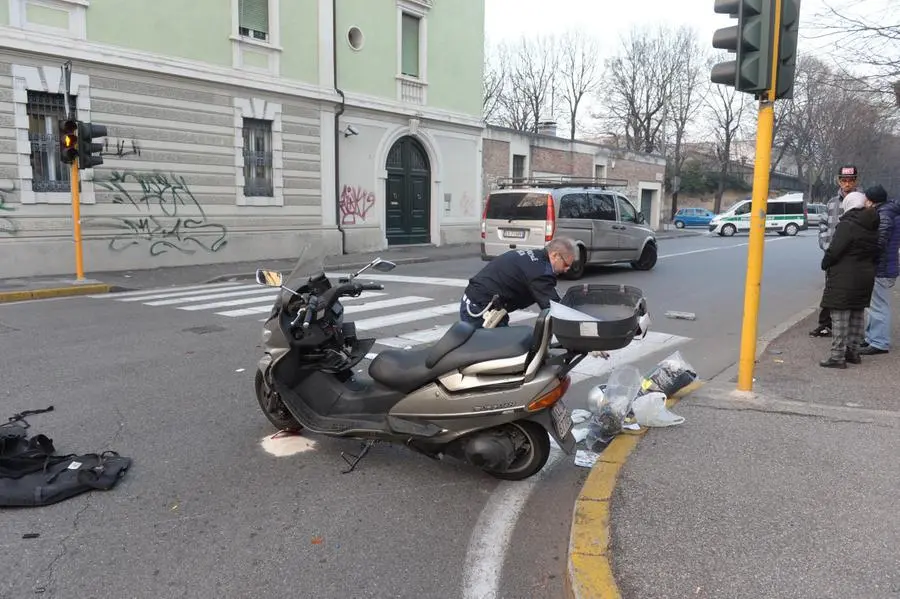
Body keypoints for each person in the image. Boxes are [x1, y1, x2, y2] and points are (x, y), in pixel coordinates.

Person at [818, 191, 880, 368]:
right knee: (857, 315)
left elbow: (835, 250)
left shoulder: (847, 224)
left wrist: (825, 263)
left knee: (840, 317)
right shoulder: (872, 224)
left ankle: (837, 357)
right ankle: (852, 352)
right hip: (865, 276)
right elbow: (877, 252)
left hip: (845, 275)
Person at [459, 237, 576, 328]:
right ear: (555, 255)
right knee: (492, 352)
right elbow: (554, 308)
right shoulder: (540, 271)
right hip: (480, 308)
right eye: (566, 264)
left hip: (487, 304)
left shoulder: (536, 257)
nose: (567, 269)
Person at [811, 164, 862, 337]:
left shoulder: (862, 201)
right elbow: (823, 227)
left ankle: (850, 331)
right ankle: (826, 324)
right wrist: (827, 247)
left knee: (852, 292)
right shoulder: (831, 203)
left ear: (856, 181)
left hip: (854, 257)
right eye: (843, 180)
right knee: (830, 289)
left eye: (851, 180)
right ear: (838, 181)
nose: (847, 183)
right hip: (834, 255)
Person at [860, 184, 900, 355]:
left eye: (866, 199)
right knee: (874, 304)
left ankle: (879, 342)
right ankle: (871, 338)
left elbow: (879, 242)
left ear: (871, 200)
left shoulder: (884, 215)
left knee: (878, 305)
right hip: (885, 266)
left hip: (881, 268)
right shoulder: (890, 212)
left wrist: (865, 255)